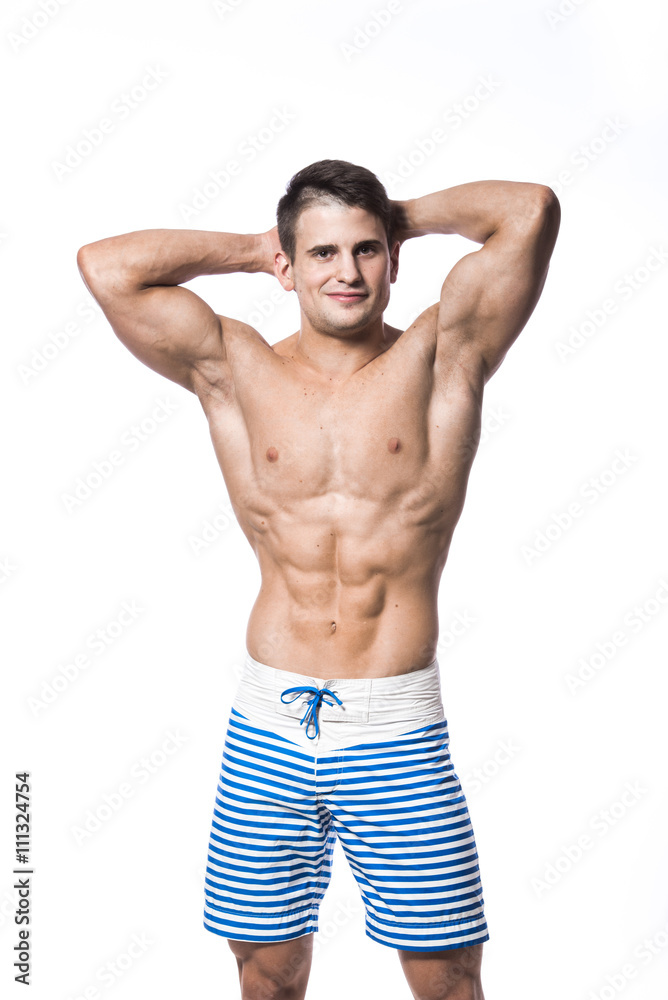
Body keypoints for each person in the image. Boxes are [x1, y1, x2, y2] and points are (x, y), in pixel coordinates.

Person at [77, 159, 560, 1000]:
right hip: (269, 729)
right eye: (324, 253)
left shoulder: (444, 354)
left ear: (394, 259)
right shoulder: (235, 365)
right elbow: (106, 266)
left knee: (447, 975)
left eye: (367, 250)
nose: (347, 271)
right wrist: (253, 247)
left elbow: (529, 210)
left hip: (395, 730)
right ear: (291, 268)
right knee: (268, 970)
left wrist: (400, 212)